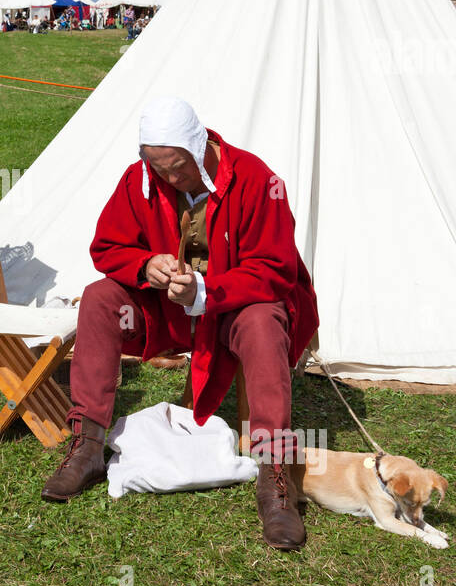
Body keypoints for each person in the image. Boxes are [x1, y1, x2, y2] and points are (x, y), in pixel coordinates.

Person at [40, 97, 320, 550]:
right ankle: (89, 444)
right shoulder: (140, 179)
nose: (169, 179)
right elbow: (106, 246)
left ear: (200, 145)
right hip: (168, 313)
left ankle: (274, 475)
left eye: (178, 168)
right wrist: (145, 263)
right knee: (99, 298)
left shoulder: (256, 180)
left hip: (232, 312)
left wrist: (208, 292)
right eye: (159, 168)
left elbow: (275, 268)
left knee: (265, 323)